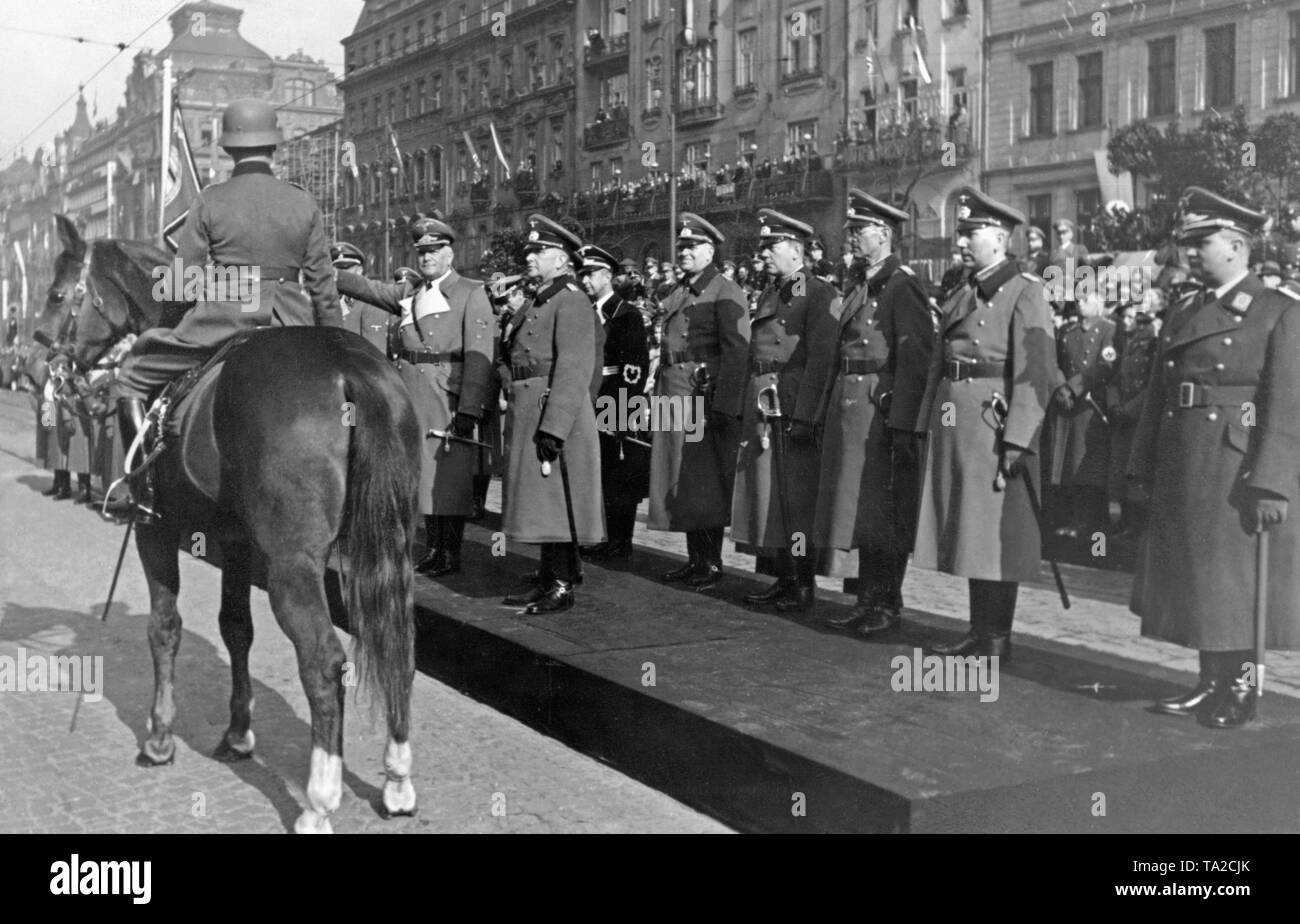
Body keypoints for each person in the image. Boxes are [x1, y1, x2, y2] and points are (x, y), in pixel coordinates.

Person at [112, 98, 342, 522]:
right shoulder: (303, 202)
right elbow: (325, 292)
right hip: (292, 318)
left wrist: (169, 315)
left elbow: (182, 283)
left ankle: (141, 489)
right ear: (273, 146)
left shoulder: (211, 201)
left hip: (226, 314)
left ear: (229, 149)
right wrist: (334, 345)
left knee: (130, 376)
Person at [1128, 187, 1300, 729]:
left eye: (1201, 242)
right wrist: (1139, 466)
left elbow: (1287, 405)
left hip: (1234, 464)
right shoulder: (1185, 310)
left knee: (1235, 582)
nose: (1190, 251)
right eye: (1188, 241)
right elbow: (1159, 392)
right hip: (1184, 459)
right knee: (1199, 578)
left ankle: (1244, 691)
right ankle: (1208, 683)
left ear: (1237, 244)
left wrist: (1272, 483)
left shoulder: (1276, 312)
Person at [912, 187, 1058, 659]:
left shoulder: (1026, 291)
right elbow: (939, 362)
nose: (961, 243)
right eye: (962, 234)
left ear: (998, 238)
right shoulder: (963, 292)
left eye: (971, 234)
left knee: (999, 532)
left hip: (995, 428)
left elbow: (1036, 374)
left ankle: (996, 636)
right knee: (973, 532)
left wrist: (1018, 440)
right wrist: (923, 422)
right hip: (960, 424)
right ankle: (979, 631)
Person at [336, 217, 494, 576]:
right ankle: (435, 547)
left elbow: (479, 355)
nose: (426, 257)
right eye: (421, 251)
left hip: (445, 395)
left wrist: (469, 407)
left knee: (450, 477)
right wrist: (327, 273)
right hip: (411, 394)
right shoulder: (411, 292)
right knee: (422, 476)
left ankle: (450, 552)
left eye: (434, 250)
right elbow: (370, 290)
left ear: (450, 252)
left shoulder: (471, 292)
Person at [815, 189, 935, 635]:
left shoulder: (902, 284)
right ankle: (866, 600)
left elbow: (916, 357)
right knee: (861, 509)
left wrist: (903, 420)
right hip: (852, 409)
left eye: (859, 231)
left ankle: (887, 604)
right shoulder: (862, 283)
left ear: (883, 234)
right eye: (850, 231)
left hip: (880, 411)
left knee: (885, 509)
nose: (851, 239)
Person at [732, 209, 840, 613]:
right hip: (763, 402)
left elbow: (822, 359)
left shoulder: (818, 293)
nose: (764, 254)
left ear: (796, 250)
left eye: (772, 246)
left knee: (795, 498)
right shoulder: (771, 293)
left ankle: (802, 584)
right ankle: (784, 576)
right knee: (771, 496)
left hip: (791, 405)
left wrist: (807, 415)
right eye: (763, 246)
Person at [499, 215, 606, 614]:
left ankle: (561, 584)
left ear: (561, 259)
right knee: (542, 501)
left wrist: (555, 428)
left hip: (555, 413)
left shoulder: (572, 300)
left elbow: (575, 367)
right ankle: (547, 579)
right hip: (531, 408)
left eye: (538, 251)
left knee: (559, 500)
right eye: (529, 250)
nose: (530, 256)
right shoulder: (540, 299)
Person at [648, 213, 750, 591]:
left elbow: (737, 352)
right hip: (672, 390)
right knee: (678, 476)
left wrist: (724, 405)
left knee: (703, 479)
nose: (684, 252)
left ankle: (711, 562)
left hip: (700, 395)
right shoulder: (680, 291)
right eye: (682, 247)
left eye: (692, 247)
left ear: (710, 250)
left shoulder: (725, 291)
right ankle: (695, 558)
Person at [576, 243, 650, 561]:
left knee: (620, 473)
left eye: (591, 274)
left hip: (615, 398)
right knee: (599, 471)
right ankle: (604, 535)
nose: (585, 281)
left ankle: (621, 541)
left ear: (607, 276)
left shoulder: (625, 315)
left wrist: (621, 412)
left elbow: (634, 369)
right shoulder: (585, 313)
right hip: (589, 397)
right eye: (582, 275)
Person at [1047, 290, 1117, 539]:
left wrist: (1074, 387)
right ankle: (1069, 518)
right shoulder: (1067, 331)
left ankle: (1090, 522)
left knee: (1086, 465)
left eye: (1086, 298)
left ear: (1099, 303)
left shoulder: (1110, 330)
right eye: (1078, 298)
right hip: (1067, 404)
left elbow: (1106, 366)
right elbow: (1054, 362)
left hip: (1090, 405)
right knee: (1066, 465)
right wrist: (1060, 387)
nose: (1080, 302)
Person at [330, 242, 391, 356]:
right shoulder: (331, 301)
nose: (341, 274)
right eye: (337, 269)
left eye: (346, 268)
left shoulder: (370, 303)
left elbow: (375, 355)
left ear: (359, 270)